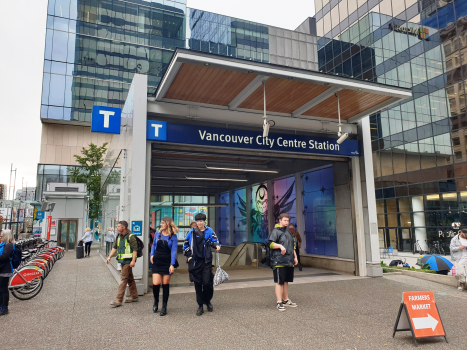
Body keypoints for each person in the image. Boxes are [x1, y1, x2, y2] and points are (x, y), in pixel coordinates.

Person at [183, 213, 220, 316]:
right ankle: (200, 305)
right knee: (198, 283)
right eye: (198, 221)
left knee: (207, 282)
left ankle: (207, 300)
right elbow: (185, 244)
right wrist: (189, 255)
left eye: (201, 221)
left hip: (206, 261)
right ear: (196, 222)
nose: (199, 223)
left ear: (204, 221)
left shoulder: (209, 231)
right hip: (195, 262)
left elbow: (214, 240)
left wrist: (217, 246)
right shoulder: (191, 232)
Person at [268, 213, 298, 311]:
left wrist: (295, 257)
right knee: (279, 282)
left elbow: (292, 246)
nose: (286, 222)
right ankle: (279, 302)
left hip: (288, 261)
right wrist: (280, 246)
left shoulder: (288, 232)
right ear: (280, 220)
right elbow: (270, 244)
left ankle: (285, 300)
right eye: (284, 220)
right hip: (278, 260)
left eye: (287, 221)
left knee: (286, 281)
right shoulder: (275, 231)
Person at [106, 221, 139, 307]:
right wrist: (109, 257)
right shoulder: (119, 236)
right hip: (122, 261)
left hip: (128, 261)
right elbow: (114, 248)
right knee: (130, 278)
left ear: (123, 228)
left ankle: (118, 300)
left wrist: (133, 261)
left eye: (118, 226)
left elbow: (135, 249)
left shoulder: (131, 236)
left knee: (124, 279)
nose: (117, 228)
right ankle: (134, 296)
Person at [150, 217, 179, 316]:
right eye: (161, 223)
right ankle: (156, 302)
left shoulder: (173, 237)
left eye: (162, 223)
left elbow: (174, 251)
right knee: (156, 283)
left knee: (165, 284)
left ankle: (164, 306)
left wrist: (172, 264)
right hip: (157, 261)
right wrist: (151, 255)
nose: (161, 224)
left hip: (167, 261)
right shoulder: (158, 234)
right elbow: (154, 245)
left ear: (167, 224)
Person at [0, 230, 15, 316]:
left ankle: (4, 307)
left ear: (6, 237)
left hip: (5, 270)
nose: (0, 238)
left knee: (3, 289)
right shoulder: (2, 245)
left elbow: (4, 257)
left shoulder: (9, 246)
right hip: (1, 269)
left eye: (1, 236)